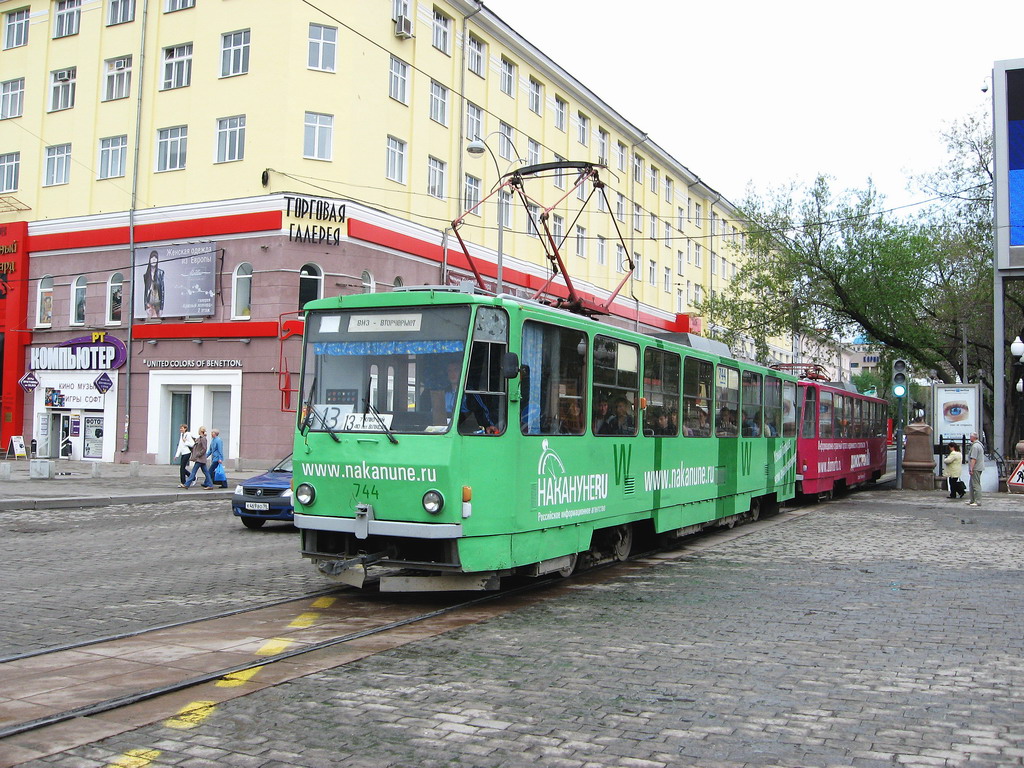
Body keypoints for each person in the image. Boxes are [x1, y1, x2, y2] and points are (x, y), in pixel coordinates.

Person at [143, 250, 165, 319]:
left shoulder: (160, 273)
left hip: (157, 301)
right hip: (149, 302)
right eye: (152, 258)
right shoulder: (146, 275)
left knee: (157, 319)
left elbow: (162, 290)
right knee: (149, 319)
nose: (153, 260)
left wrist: (161, 307)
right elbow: (145, 291)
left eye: (155, 258)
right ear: (149, 259)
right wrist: (145, 306)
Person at [966, 432, 985, 507]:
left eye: (970, 436)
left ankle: (978, 501)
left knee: (976, 484)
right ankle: (972, 500)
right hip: (978, 467)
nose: (969, 438)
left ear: (973, 437)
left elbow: (973, 458)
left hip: (976, 468)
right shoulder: (979, 445)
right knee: (972, 484)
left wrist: (971, 468)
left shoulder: (975, 446)